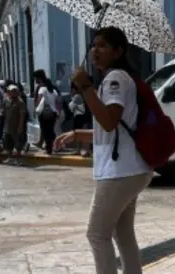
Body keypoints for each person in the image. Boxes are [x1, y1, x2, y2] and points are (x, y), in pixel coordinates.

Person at [55, 26, 153, 274]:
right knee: (123, 235)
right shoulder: (116, 79)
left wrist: (86, 87)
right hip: (131, 169)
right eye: (93, 45)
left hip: (120, 172)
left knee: (97, 234)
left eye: (102, 46)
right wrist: (77, 134)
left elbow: (109, 122)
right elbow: (110, 132)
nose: (95, 50)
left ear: (118, 51)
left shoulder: (115, 79)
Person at [34, 70, 60, 155]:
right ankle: (55, 145)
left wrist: (37, 108)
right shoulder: (54, 90)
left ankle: (50, 148)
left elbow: (38, 100)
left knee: (45, 130)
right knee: (50, 130)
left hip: (44, 112)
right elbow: (58, 101)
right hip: (53, 113)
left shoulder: (41, 89)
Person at [2, 84, 28, 165]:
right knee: (8, 142)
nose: (14, 93)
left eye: (15, 91)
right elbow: (4, 111)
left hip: (16, 126)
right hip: (7, 126)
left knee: (18, 144)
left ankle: (18, 159)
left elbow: (22, 115)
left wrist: (20, 127)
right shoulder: (6, 100)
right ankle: (10, 157)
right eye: (12, 91)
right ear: (9, 92)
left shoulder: (20, 102)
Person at [69, 81, 93, 157]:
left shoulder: (77, 96)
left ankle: (84, 150)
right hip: (83, 117)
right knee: (81, 134)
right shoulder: (83, 95)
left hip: (80, 118)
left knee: (81, 134)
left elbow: (71, 107)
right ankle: (82, 150)